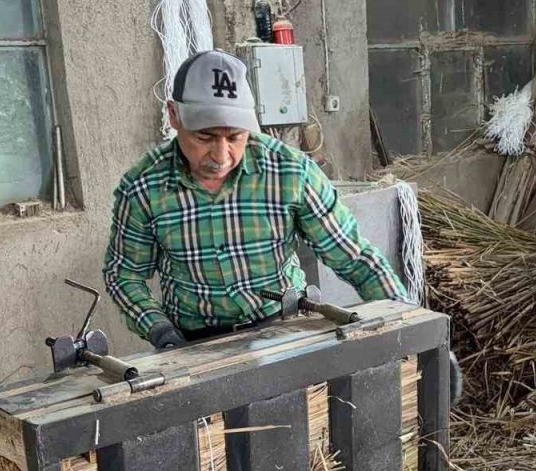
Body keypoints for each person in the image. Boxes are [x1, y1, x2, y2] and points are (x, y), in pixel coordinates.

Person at [102, 49, 464, 401]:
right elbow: (125, 275)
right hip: (194, 345)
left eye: (235, 137)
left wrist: (416, 329)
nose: (221, 155)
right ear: (174, 115)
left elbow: (355, 259)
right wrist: (160, 329)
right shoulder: (144, 186)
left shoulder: (289, 173)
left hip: (285, 333)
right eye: (205, 137)